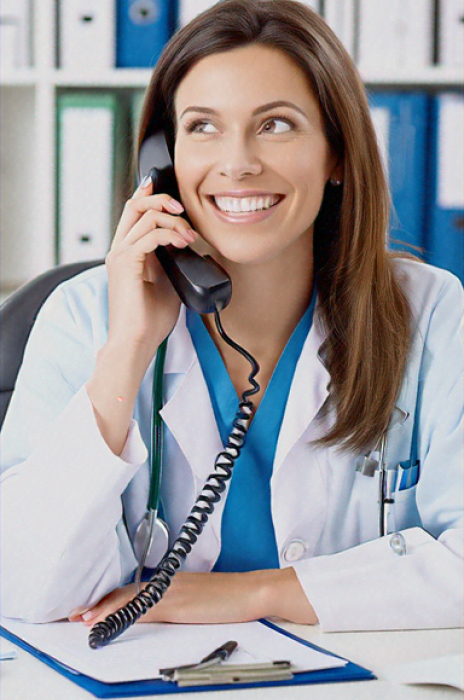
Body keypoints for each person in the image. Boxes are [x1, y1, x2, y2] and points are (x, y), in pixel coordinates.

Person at [1, 0, 462, 632]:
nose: (238, 161)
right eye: (202, 127)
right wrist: (127, 350)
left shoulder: (432, 314)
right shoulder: (83, 319)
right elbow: (21, 593)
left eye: (274, 125)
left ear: (335, 154)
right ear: (161, 165)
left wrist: (257, 595)